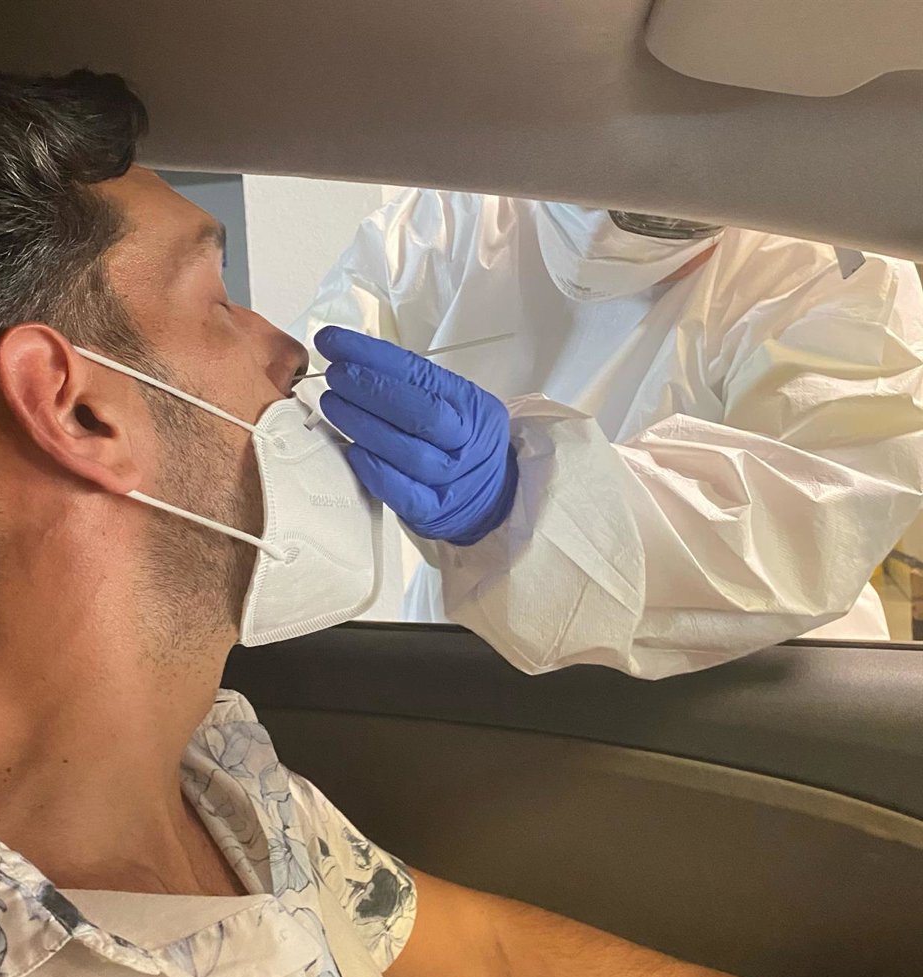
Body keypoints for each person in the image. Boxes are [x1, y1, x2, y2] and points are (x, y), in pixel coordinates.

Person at [0, 64, 920, 977]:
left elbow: (485, 966)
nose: (289, 354)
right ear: (77, 407)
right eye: (218, 296)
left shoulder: (211, 765)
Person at [296, 193, 923, 678]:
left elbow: (808, 525)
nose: (603, 230)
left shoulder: (836, 270)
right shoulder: (442, 226)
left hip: (738, 677)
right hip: (475, 648)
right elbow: (296, 415)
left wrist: (519, 501)